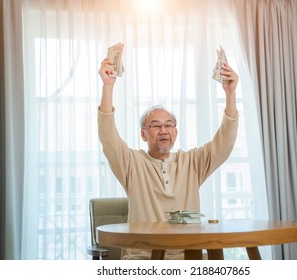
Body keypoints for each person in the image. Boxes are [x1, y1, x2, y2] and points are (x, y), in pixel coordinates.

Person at [97, 58, 239, 260]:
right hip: (143, 258)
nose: (163, 131)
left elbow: (224, 144)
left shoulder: (192, 162)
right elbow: (108, 138)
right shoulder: (131, 163)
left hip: (188, 255)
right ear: (144, 134)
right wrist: (107, 87)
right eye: (155, 126)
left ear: (175, 132)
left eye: (169, 125)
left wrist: (230, 94)